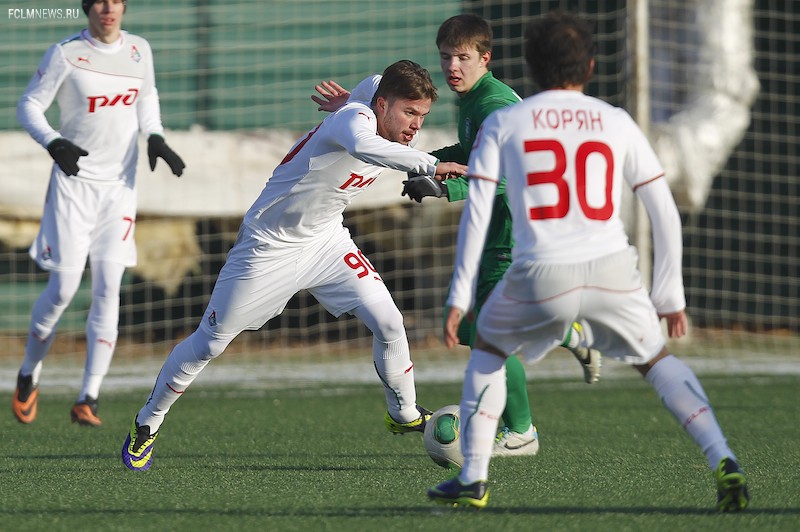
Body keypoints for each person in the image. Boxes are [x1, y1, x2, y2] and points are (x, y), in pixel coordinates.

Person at [427, 11, 749, 512]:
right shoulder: (616, 120)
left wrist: (459, 294)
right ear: (592, 66)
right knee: (657, 362)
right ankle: (723, 457)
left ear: (530, 68)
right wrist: (670, 295)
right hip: (612, 270)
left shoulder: (507, 120)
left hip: (538, 272)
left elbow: (480, 209)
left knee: (487, 350)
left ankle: (473, 477)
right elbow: (663, 209)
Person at [121, 60, 468, 471]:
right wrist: (429, 162)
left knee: (390, 322)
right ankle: (148, 422)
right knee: (210, 342)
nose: (415, 126)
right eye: (409, 113)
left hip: (326, 240)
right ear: (383, 104)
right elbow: (362, 144)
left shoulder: (369, 97)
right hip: (268, 248)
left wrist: (355, 100)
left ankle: (404, 413)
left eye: (423, 116)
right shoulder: (355, 121)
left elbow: (368, 95)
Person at [312, 14, 601, 459]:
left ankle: (521, 431)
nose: (452, 66)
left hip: (519, 234)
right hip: (496, 233)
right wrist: (421, 164)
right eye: (446, 56)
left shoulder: (495, 105)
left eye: (463, 57)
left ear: (485, 58)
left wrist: (447, 185)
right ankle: (566, 331)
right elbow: (469, 154)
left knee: (488, 334)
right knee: (474, 329)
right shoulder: (473, 101)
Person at [12, 0, 185, 427]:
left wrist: (156, 136)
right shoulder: (66, 53)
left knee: (110, 288)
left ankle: (88, 397)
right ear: (87, 7)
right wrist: (53, 141)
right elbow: (29, 105)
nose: (108, 8)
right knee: (64, 290)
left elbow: (147, 96)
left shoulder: (139, 50)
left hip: (119, 190)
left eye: (116, 1)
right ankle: (29, 372)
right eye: (99, 1)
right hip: (74, 186)